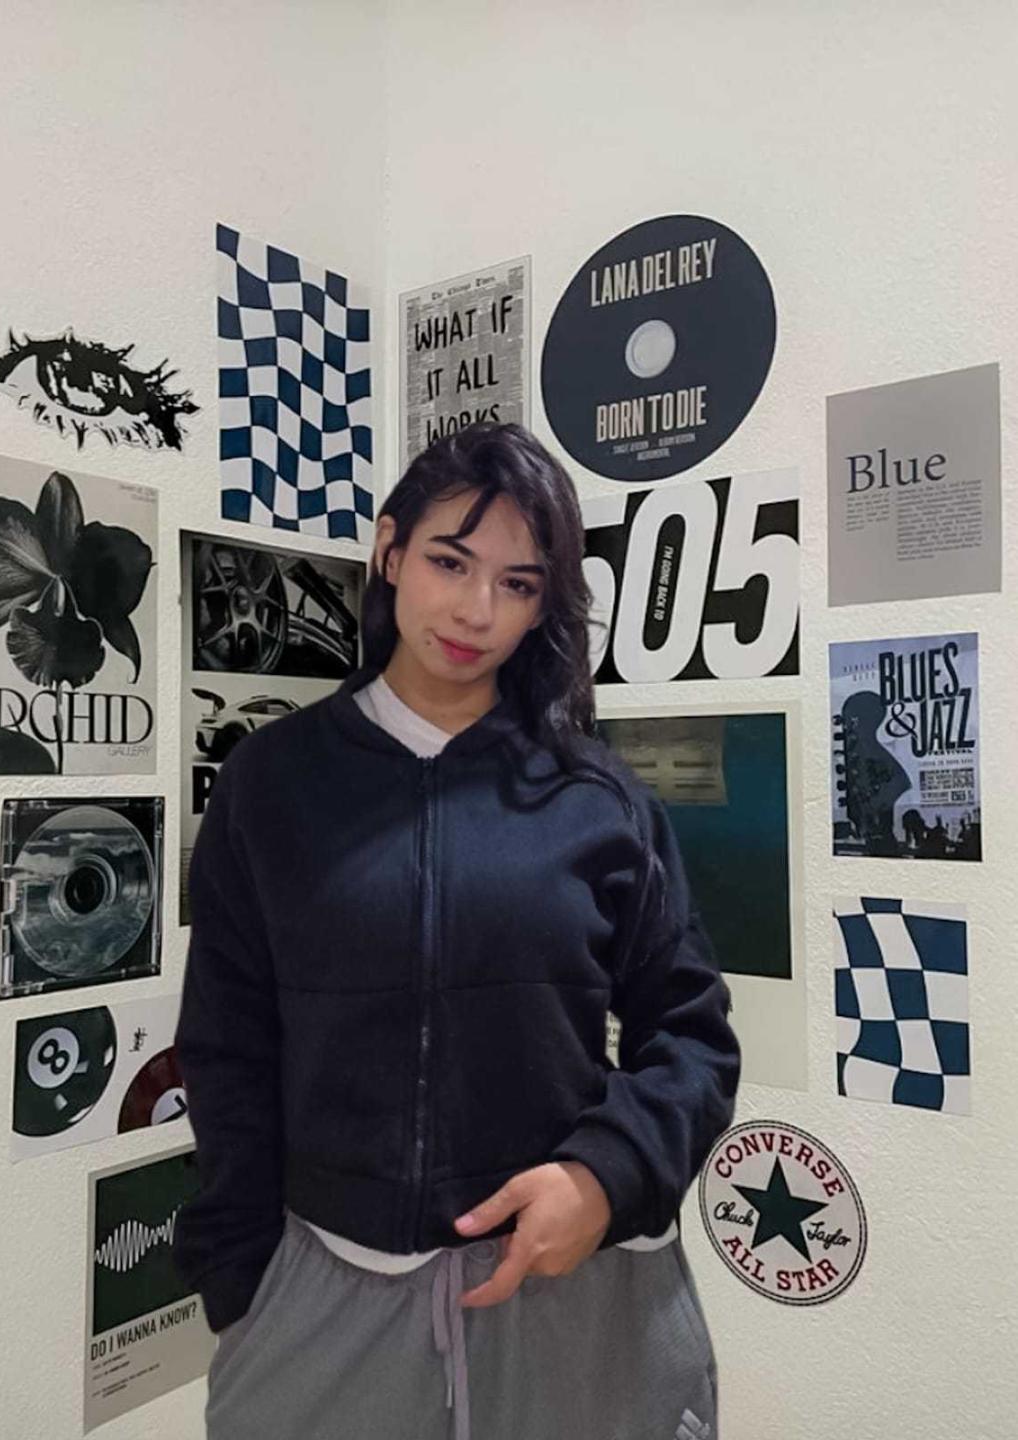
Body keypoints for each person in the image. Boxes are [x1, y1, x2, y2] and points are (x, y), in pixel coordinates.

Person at [174, 422, 741, 1440]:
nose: (478, 611)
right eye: (450, 562)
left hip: (570, 1288)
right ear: (390, 552)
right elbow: (226, 1046)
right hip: (324, 1289)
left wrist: (603, 1178)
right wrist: (240, 1281)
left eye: (518, 584)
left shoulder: (597, 799)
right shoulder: (271, 783)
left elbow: (693, 1038)